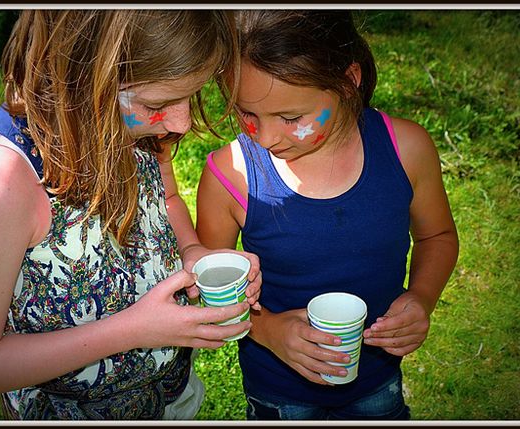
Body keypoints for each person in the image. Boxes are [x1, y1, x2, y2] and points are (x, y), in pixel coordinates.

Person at [0, 10, 262, 420]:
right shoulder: (4, 182)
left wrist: (192, 249)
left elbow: (166, 199)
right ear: (84, 74)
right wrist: (134, 330)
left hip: (171, 397)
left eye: (187, 97)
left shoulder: (138, 128)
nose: (180, 122)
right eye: (157, 103)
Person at [196, 10, 459, 420]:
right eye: (247, 113)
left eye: (291, 118)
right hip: (279, 396)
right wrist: (269, 331)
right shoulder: (230, 176)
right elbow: (213, 295)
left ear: (348, 79)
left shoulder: (406, 149)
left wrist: (421, 297)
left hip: (379, 381)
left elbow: (437, 236)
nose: (265, 137)